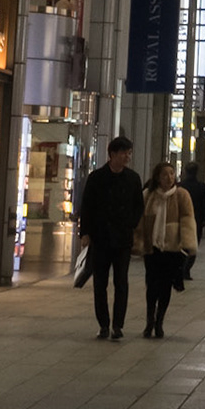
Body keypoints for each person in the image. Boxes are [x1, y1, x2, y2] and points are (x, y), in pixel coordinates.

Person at [77, 135, 143, 340]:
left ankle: (118, 325)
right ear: (112, 154)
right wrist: (85, 233)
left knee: (121, 282)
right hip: (101, 238)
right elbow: (86, 207)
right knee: (100, 283)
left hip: (123, 239)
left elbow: (138, 206)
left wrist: (131, 224)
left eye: (129, 153)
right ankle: (104, 324)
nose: (127, 157)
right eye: (124, 153)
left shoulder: (133, 178)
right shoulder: (97, 178)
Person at [133, 162, 197, 338]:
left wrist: (188, 243)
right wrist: (137, 242)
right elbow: (139, 221)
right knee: (151, 285)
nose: (169, 178)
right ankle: (149, 321)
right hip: (152, 248)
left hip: (172, 248)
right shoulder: (148, 195)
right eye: (165, 174)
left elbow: (187, 219)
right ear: (157, 177)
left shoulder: (181, 195)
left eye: (171, 174)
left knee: (165, 286)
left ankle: (159, 321)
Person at [180, 162, 205, 280]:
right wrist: (204, 219)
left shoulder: (181, 186)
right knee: (193, 245)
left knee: (182, 245)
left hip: (182, 219)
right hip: (196, 220)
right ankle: (186, 270)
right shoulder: (201, 186)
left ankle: (181, 268)